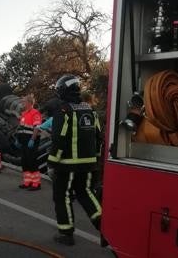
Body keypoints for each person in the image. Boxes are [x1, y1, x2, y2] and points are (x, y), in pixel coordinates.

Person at [48, 75, 105, 246]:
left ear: (63, 91)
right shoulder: (90, 110)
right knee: (86, 194)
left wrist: (52, 163)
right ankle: (107, 228)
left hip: (67, 166)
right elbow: (98, 136)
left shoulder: (64, 110)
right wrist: (95, 159)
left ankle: (66, 234)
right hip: (89, 165)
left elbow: (59, 139)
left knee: (62, 196)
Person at [14, 94, 42, 190]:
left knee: (32, 162)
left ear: (29, 103)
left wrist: (32, 140)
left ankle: (36, 184)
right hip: (23, 142)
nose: (22, 103)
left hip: (31, 141)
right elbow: (21, 127)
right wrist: (18, 139)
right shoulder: (24, 113)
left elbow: (37, 128)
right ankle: (27, 182)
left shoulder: (35, 113)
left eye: (24, 101)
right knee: (25, 162)